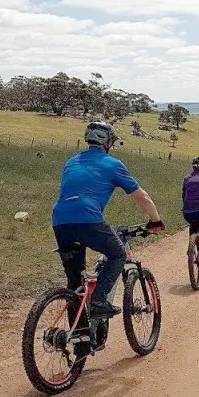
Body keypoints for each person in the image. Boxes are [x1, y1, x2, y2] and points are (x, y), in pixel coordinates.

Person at [52, 122, 164, 318]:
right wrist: (155, 220)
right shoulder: (113, 164)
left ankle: (81, 342)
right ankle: (99, 300)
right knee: (119, 254)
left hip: (60, 221)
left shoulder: (71, 161)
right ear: (109, 142)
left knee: (75, 283)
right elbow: (142, 197)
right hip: (88, 220)